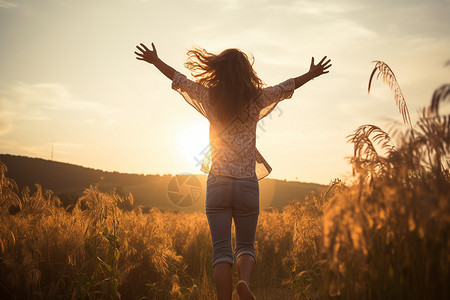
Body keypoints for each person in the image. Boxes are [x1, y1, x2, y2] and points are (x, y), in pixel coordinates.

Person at [134, 43, 331, 300]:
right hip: (248, 184)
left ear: (218, 71)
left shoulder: (209, 96)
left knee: (221, 252)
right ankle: (245, 283)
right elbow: (286, 86)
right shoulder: (256, 97)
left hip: (218, 184)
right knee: (246, 247)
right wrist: (311, 74)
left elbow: (180, 80)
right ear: (246, 74)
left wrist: (156, 61)